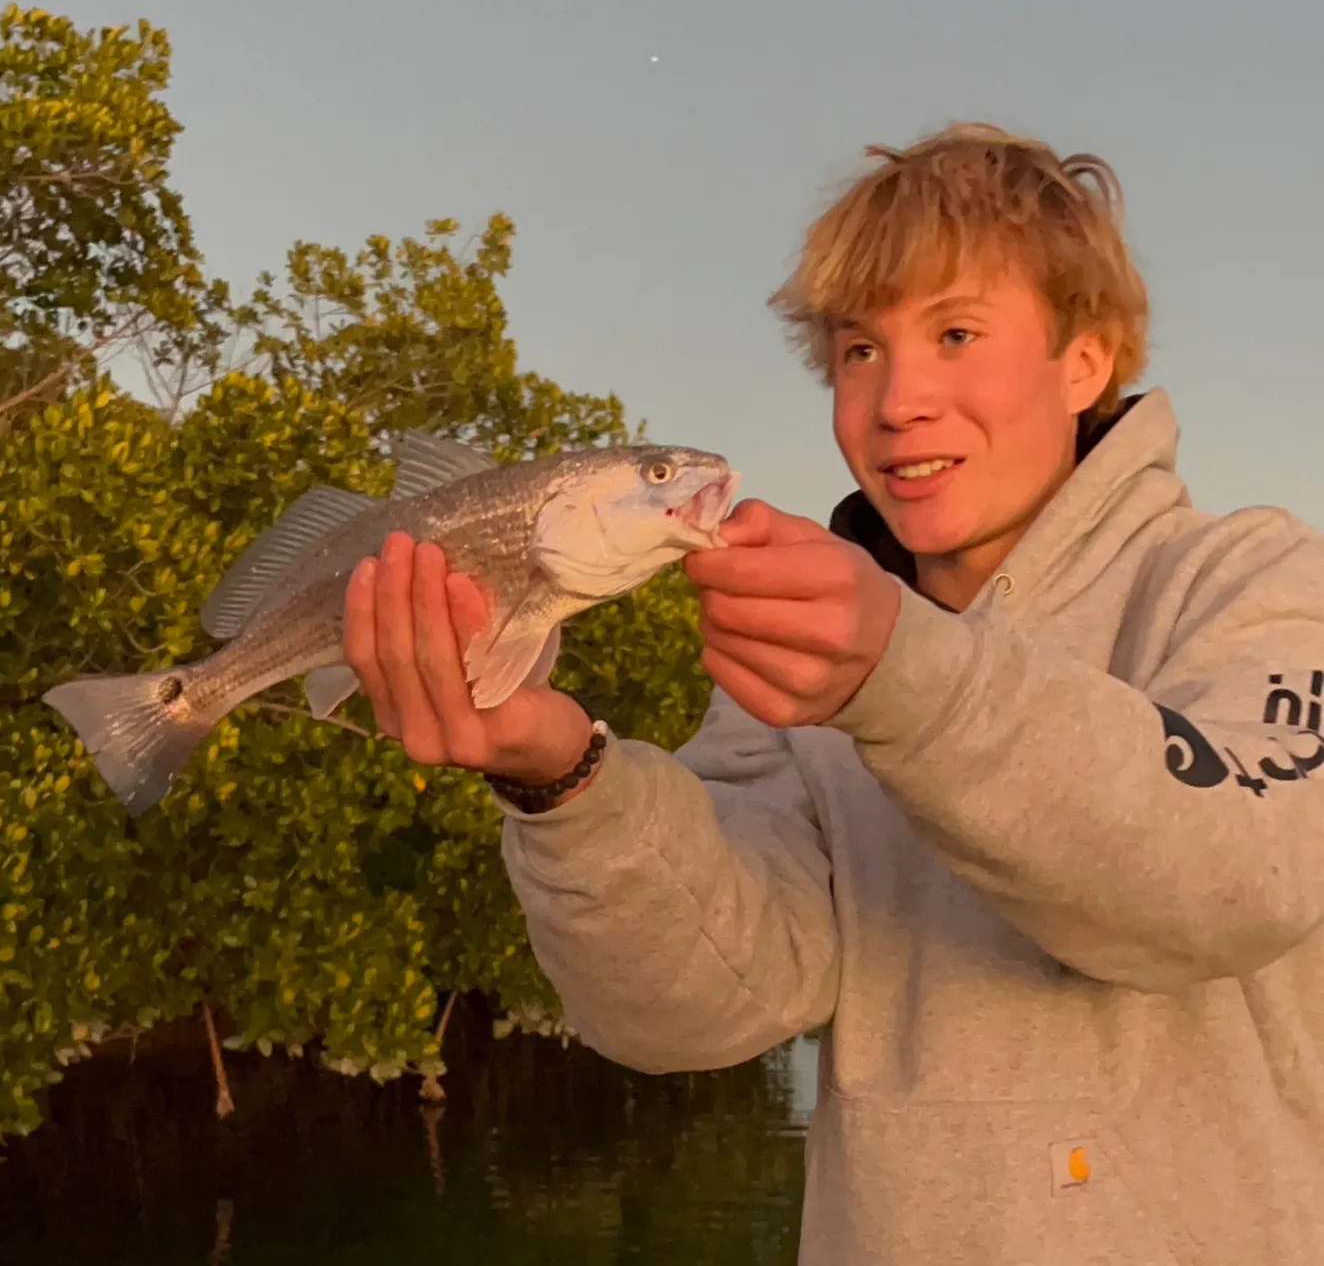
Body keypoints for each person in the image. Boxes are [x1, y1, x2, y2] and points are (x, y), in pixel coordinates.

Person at [341, 123, 1324, 1265]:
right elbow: (706, 1005)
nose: (898, 398)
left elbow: (1235, 879)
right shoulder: (797, 663)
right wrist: (558, 773)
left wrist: (902, 674)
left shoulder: (1255, 581)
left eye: (956, 333)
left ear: (1085, 361)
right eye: (859, 351)